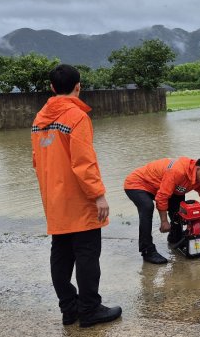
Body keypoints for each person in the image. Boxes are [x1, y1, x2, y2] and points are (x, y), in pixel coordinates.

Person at [31, 64, 121, 327]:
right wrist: (98, 195)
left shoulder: (39, 119)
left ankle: (69, 309)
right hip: (79, 200)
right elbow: (84, 163)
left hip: (54, 199)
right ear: (78, 86)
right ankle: (90, 309)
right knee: (87, 254)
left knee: (60, 252)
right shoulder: (76, 117)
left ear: (51, 87)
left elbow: (37, 162)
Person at [152, 156, 200, 244]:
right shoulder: (177, 172)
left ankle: (175, 238)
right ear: (199, 169)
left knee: (179, 214)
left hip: (174, 189)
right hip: (144, 184)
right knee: (148, 208)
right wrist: (164, 221)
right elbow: (162, 197)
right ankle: (148, 248)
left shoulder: (198, 178)